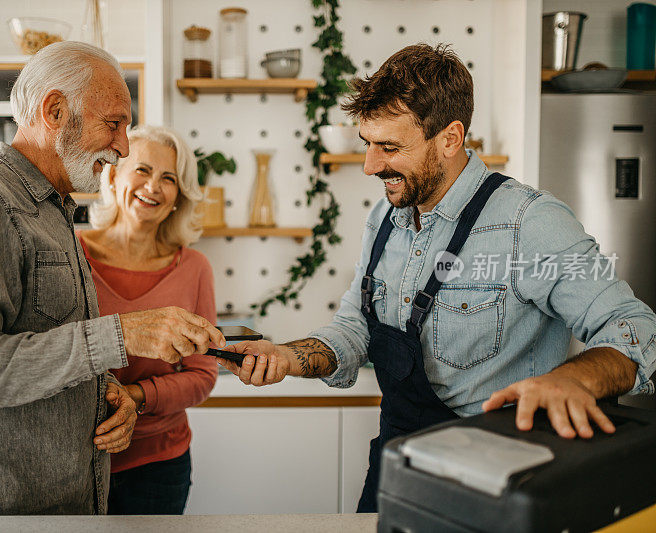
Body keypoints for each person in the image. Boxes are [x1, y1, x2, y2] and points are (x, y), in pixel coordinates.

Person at [217, 43, 656, 512]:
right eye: (368, 143)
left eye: (389, 147)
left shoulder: (528, 222)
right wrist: (285, 357)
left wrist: (577, 379)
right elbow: (355, 326)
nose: (370, 165)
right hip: (398, 464)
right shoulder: (384, 219)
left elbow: (637, 328)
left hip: (497, 481)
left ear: (449, 138)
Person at [0, 42, 225, 515]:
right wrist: (120, 334)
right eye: (115, 123)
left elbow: (50, 357)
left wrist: (114, 402)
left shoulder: (54, 213)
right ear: (55, 110)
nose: (121, 145)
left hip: (65, 501)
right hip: (6, 508)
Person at [78, 125, 217, 515]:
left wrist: (135, 397)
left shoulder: (194, 267)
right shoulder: (71, 252)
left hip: (159, 461)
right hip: (74, 458)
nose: (153, 186)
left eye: (168, 178)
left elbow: (202, 375)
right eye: (142, 170)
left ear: (178, 196)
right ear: (112, 175)